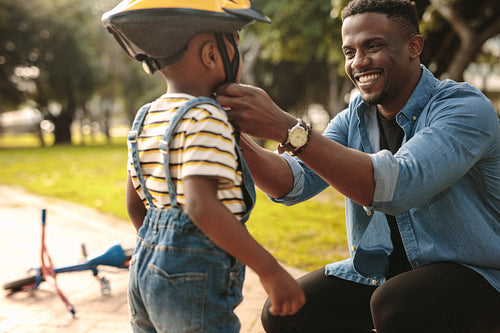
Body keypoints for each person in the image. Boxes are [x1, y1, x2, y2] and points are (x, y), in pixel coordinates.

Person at [215, 0, 500, 332]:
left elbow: (398, 185)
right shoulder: (355, 118)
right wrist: (234, 135)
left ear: (414, 46)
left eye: (373, 46)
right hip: (384, 275)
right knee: (286, 312)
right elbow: (292, 182)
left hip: (482, 279)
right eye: (349, 52)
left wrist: (286, 128)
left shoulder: (463, 108)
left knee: (398, 302)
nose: (359, 62)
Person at [101, 1, 305, 332]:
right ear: (212, 55)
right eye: (235, 42)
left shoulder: (147, 117)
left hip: (143, 270)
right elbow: (200, 205)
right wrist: (270, 270)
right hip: (192, 278)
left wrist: (161, 252)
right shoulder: (206, 116)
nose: (238, 53)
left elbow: (136, 206)